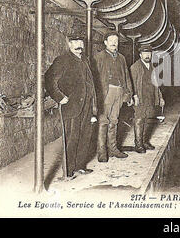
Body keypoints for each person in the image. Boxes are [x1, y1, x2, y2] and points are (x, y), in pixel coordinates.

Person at [45, 32, 97, 177]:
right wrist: (59, 97)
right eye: (75, 42)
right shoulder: (62, 60)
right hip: (71, 106)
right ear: (69, 44)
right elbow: (49, 79)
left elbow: (91, 84)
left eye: (81, 42)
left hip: (86, 106)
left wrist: (94, 108)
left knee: (85, 137)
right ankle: (68, 171)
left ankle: (80, 166)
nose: (79, 45)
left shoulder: (85, 60)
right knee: (72, 138)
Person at [92, 31, 133, 162]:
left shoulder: (121, 58)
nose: (114, 42)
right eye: (111, 40)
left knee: (114, 121)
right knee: (103, 122)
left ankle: (113, 149)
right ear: (105, 43)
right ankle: (102, 152)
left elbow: (126, 76)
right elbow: (94, 78)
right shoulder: (99, 57)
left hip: (119, 92)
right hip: (106, 92)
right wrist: (96, 97)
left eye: (116, 40)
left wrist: (129, 93)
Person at [130, 44, 165, 153]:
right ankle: (138, 144)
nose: (147, 55)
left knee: (147, 119)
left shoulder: (153, 67)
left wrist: (160, 98)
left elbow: (156, 85)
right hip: (140, 97)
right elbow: (131, 83)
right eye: (144, 53)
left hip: (150, 97)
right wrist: (134, 96)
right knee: (139, 119)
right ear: (140, 55)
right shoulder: (135, 67)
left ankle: (145, 141)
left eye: (149, 53)